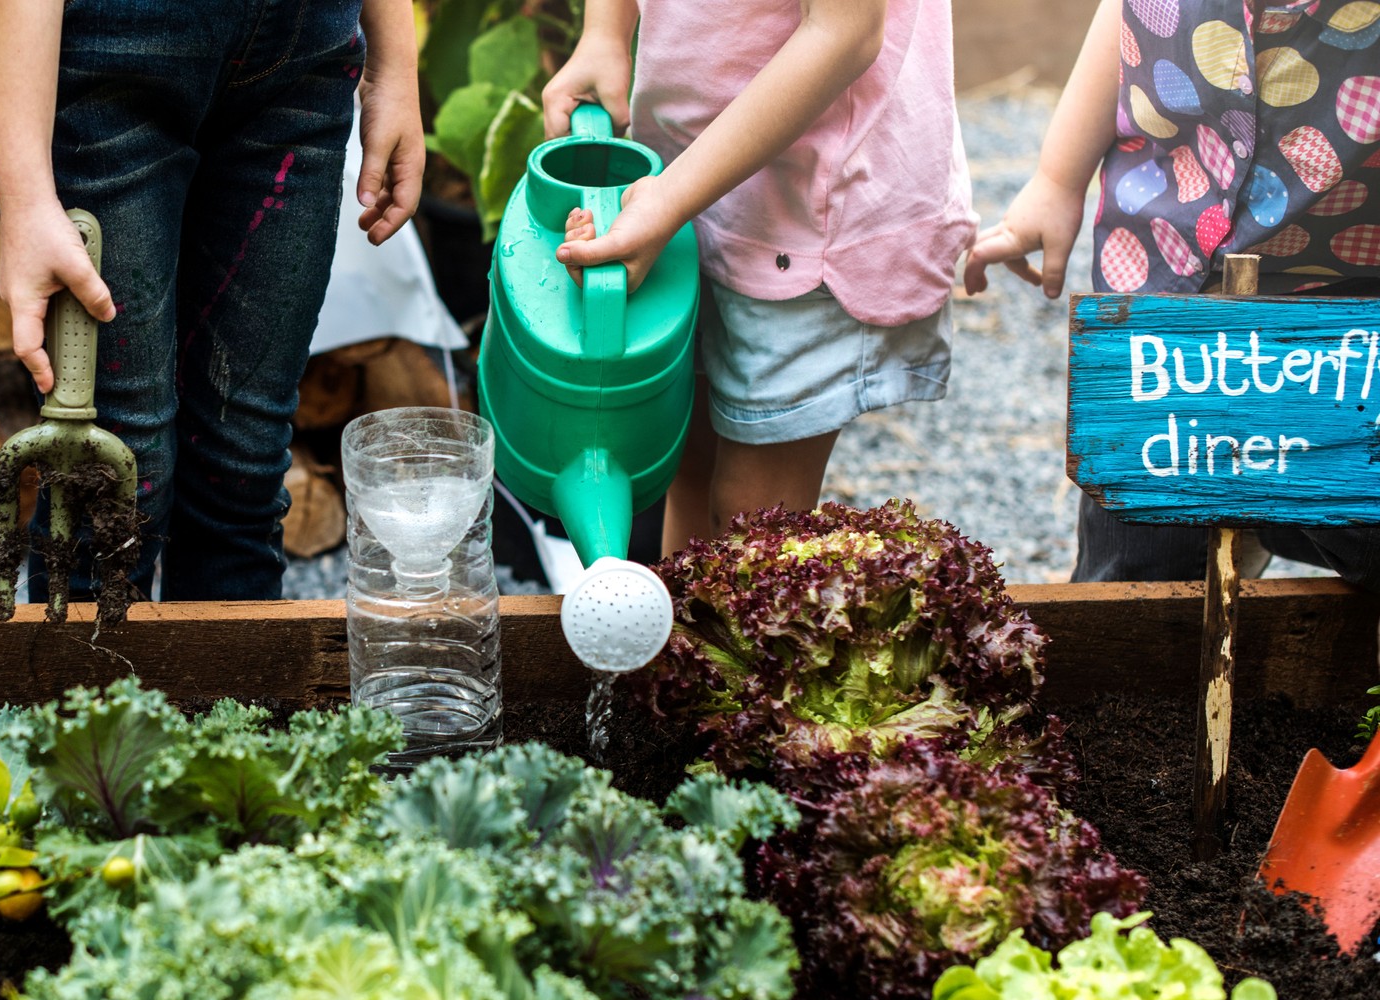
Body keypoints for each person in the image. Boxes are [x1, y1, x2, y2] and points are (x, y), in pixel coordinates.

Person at [0, 0, 423, 603]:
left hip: (305, 59)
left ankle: (228, 695)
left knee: (243, 468)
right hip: (112, 52)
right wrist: (25, 195)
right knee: (111, 476)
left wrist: (394, 67)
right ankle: (89, 697)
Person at [965, 0, 1380, 590]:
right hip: (1165, 270)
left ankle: (1267, 514)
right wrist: (1056, 180)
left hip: (1338, 279)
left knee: (1357, 527)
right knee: (1135, 567)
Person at [542, 0, 972, 553]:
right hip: (683, 177)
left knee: (751, 521)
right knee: (686, 467)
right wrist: (605, 30)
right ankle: (685, 637)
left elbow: (846, 33)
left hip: (809, 211)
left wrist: (668, 202)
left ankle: (735, 638)